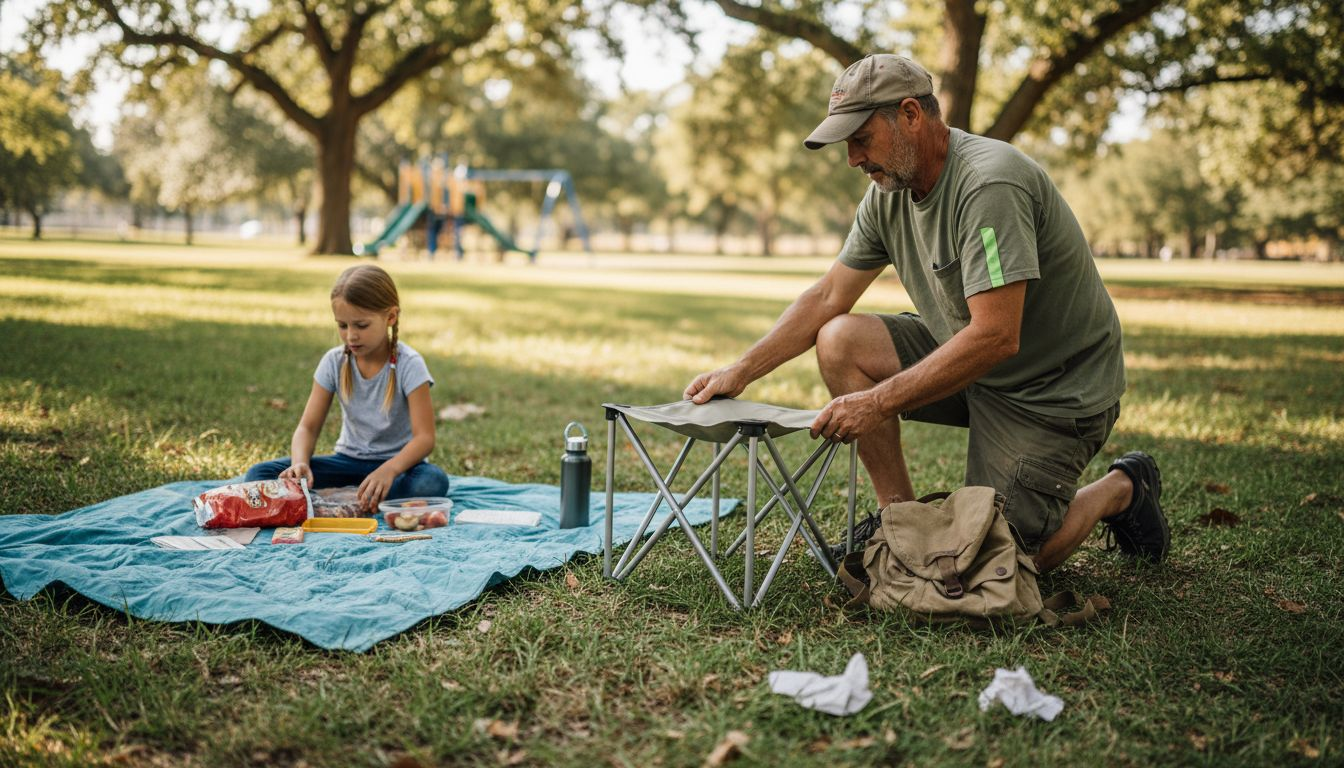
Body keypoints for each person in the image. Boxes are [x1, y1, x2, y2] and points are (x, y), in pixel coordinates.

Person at [684, 54, 1168, 572]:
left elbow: (998, 336)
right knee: (839, 338)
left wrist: (875, 402)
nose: (852, 159)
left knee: (992, 565)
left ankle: (1121, 488)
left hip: (1051, 390)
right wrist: (742, 369)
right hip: (972, 359)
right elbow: (828, 297)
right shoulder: (886, 194)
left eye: (861, 139)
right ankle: (901, 519)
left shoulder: (989, 186)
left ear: (911, 115)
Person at [245, 264, 448, 511]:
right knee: (260, 473)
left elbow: (425, 438)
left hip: (399, 467)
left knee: (431, 483)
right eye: (342, 325)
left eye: (361, 325)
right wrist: (300, 464)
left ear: (391, 317)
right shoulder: (334, 362)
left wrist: (388, 470)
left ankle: (337, 497)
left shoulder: (409, 364)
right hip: (347, 462)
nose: (351, 336)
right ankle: (360, 496)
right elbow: (307, 427)